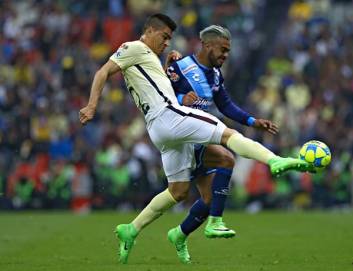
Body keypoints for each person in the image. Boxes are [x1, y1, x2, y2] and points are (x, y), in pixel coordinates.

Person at [79, 13, 312, 265]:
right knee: (228, 137)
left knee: (178, 191)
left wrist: (167, 65)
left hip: (160, 131)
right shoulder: (134, 48)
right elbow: (103, 72)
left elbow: (162, 84)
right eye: (164, 37)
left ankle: (132, 229)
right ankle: (274, 161)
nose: (167, 42)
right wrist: (91, 106)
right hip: (170, 116)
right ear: (149, 31)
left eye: (170, 38)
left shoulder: (153, 60)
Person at [165, 25, 281, 263]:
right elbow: (158, 96)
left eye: (228, 51)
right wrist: (178, 98)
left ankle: (179, 234)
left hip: (199, 135)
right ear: (207, 45)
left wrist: (252, 121)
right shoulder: (180, 67)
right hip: (181, 138)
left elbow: (225, 105)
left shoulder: (216, 75)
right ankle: (216, 221)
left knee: (208, 199)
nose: (226, 55)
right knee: (227, 158)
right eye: (223, 50)